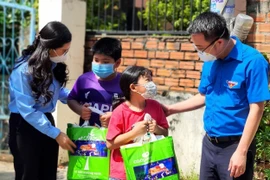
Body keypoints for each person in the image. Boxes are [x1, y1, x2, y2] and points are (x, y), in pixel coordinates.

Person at [164, 12, 270, 180]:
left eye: (200, 48)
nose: (199, 53)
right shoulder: (211, 60)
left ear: (219, 42)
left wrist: (241, 152)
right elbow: (204, 96)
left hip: (235, 146)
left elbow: (256, 108)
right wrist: (170, 109)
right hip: (209, 144)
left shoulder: (252, 62)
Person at [8, 21, 76, 180]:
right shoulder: (23, 71)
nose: (65, 54)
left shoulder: (51, 65)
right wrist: (57, 134)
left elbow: (56, 91)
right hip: (24, 126)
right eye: (64, 50)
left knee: (48, 174)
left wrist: (76, 98)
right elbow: (28, 111)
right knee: (28, 174)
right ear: (50, 48)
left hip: (46, 122)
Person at [106, 66, 169, 180]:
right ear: (133, 87)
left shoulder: (155, 106)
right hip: (122, 174)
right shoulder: (119, 112)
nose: (152, 84)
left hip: (149, 170)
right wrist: (134, 133)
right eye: (147, 80)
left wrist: (157, 129)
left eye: (151, 79)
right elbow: (110, 144)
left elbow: (165, 133)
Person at [67, 37, 123, 127]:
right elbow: (71, 99)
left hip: (115, 137)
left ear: (117, 63)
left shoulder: (124, 83)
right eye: (96, 60)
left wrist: (115, 116)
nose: (99, 65)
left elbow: (134, 108)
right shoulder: (84, 80)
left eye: (105, 62)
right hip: (87, 136)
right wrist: (80, 110)